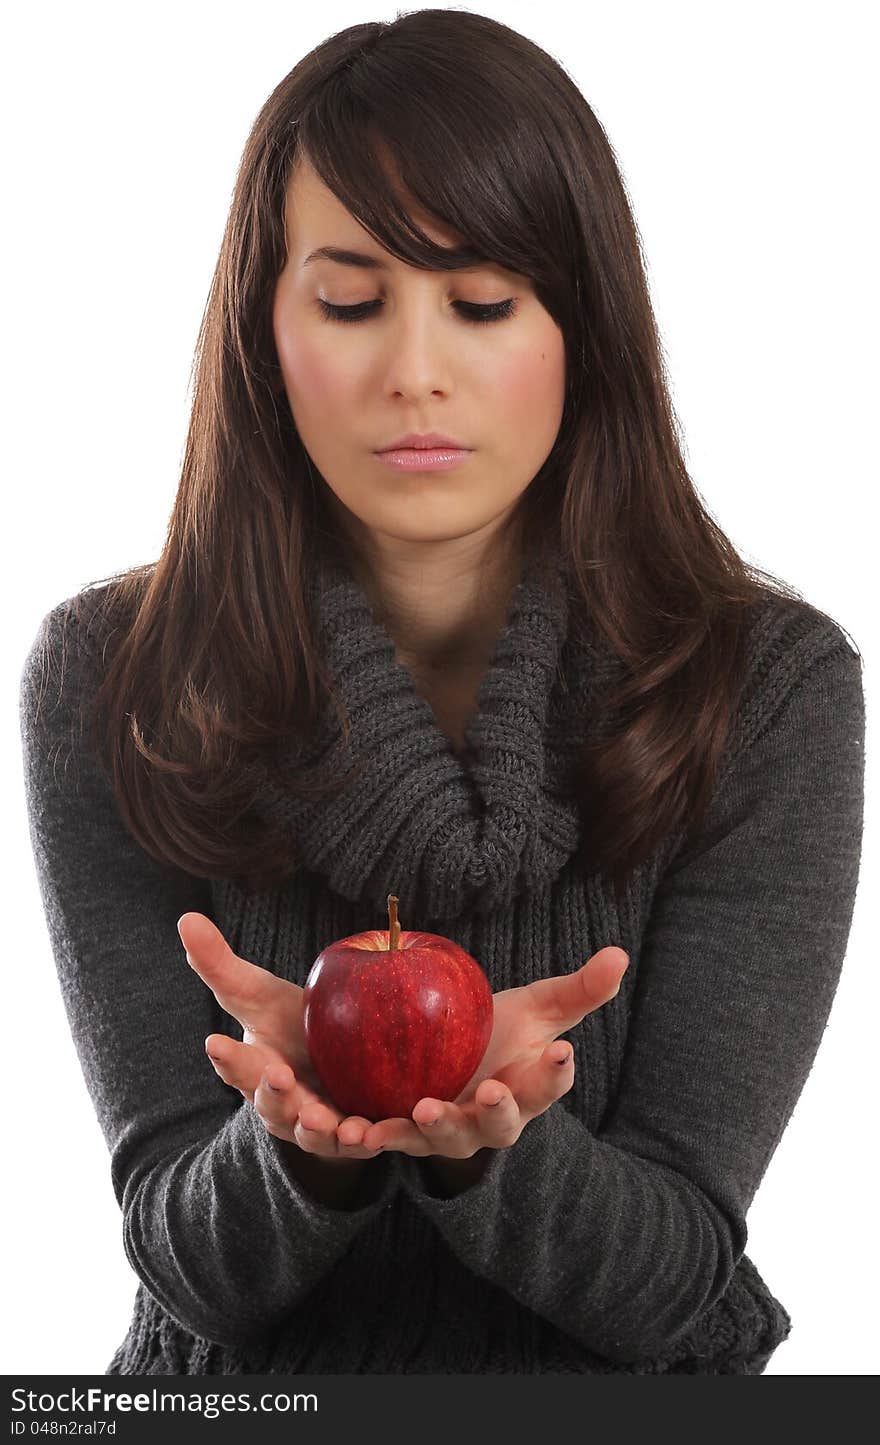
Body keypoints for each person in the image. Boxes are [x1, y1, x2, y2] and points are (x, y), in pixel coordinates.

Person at [19, 10, 864, 1376]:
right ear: (263, 327)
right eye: (350, 301)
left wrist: (498, 1159)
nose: (415, 370)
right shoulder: (112, 680)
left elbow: (676, 1282)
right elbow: (184, 1259)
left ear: (583, 326)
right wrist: (295, 1152)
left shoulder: (761, 693)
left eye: (483, 303)